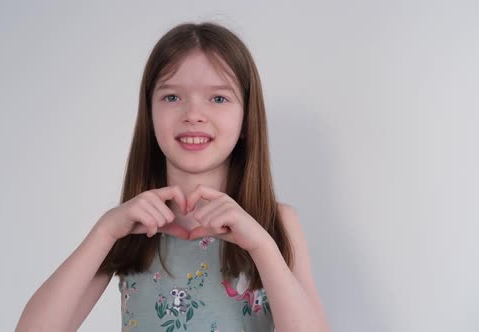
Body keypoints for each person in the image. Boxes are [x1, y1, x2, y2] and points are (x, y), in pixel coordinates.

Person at [16, 21, 330, 332]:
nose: (193, 114)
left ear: (247, 119)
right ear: (149, 115)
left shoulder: (275, 222)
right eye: (172, 97)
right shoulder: (129, 231)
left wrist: (262, 247)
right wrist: (103, 233)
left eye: (218, 98)